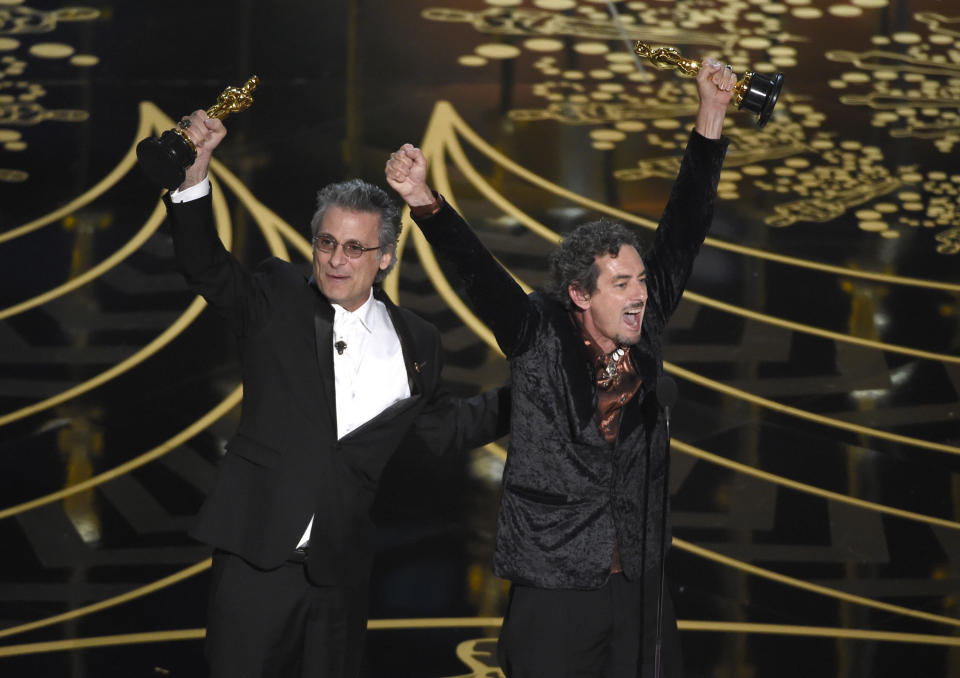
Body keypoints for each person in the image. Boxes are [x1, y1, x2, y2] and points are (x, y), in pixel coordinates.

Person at [386, 59, 736, 677]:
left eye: (642, 282)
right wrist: (426, 203)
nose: (639, 295)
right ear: (580, 294)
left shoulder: (644, 334)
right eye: (621, 283)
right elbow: (482, 276)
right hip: (556, 583)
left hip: (639, 586)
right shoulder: (537, 334)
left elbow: (684, 227)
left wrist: (710, 116)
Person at [162, 110, 509, 678]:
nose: (337, 259)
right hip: (257, 561)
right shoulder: (276, 299)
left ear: (386, 258)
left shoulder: (416, 341)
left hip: (340, 575)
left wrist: (536, 393)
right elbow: (207, 268)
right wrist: (194, 175)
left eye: (355, 248)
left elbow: (446, 429)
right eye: (327, 242)